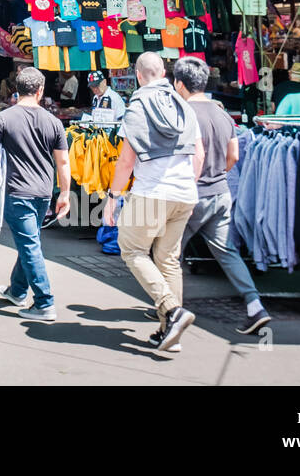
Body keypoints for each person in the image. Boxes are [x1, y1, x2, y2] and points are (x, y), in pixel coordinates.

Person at [104, 52, 204, 352]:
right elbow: (199, 154)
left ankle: (172, 311)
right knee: (168, 260)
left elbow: (126, 160)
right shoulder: (183, 104)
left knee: (132, 249)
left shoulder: (138, 104)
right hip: (185, 192)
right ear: (165, 74)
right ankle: (168, 333)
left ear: (137, 74)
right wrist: (186, 185)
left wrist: (113, 197)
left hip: (152, 192)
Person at [172, 56, 272, 335]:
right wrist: (218, 173)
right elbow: (234, 155)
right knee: (227, 252)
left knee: (169, 253)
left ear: (180, 84)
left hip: (191, 195)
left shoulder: (182, 114)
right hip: (220, 192)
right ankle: (255, 306)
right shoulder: (222, 113)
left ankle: (171, 309)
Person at [0, 67, 72, 323]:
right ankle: (17, 291)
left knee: (30, 245)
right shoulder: (54, 121)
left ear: (14, 90)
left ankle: (44, 302)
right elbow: (63, 163)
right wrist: (64, 193)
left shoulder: (4, 118)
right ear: (41, 90)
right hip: (43, 192)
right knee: (29, 241)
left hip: (18, 191)